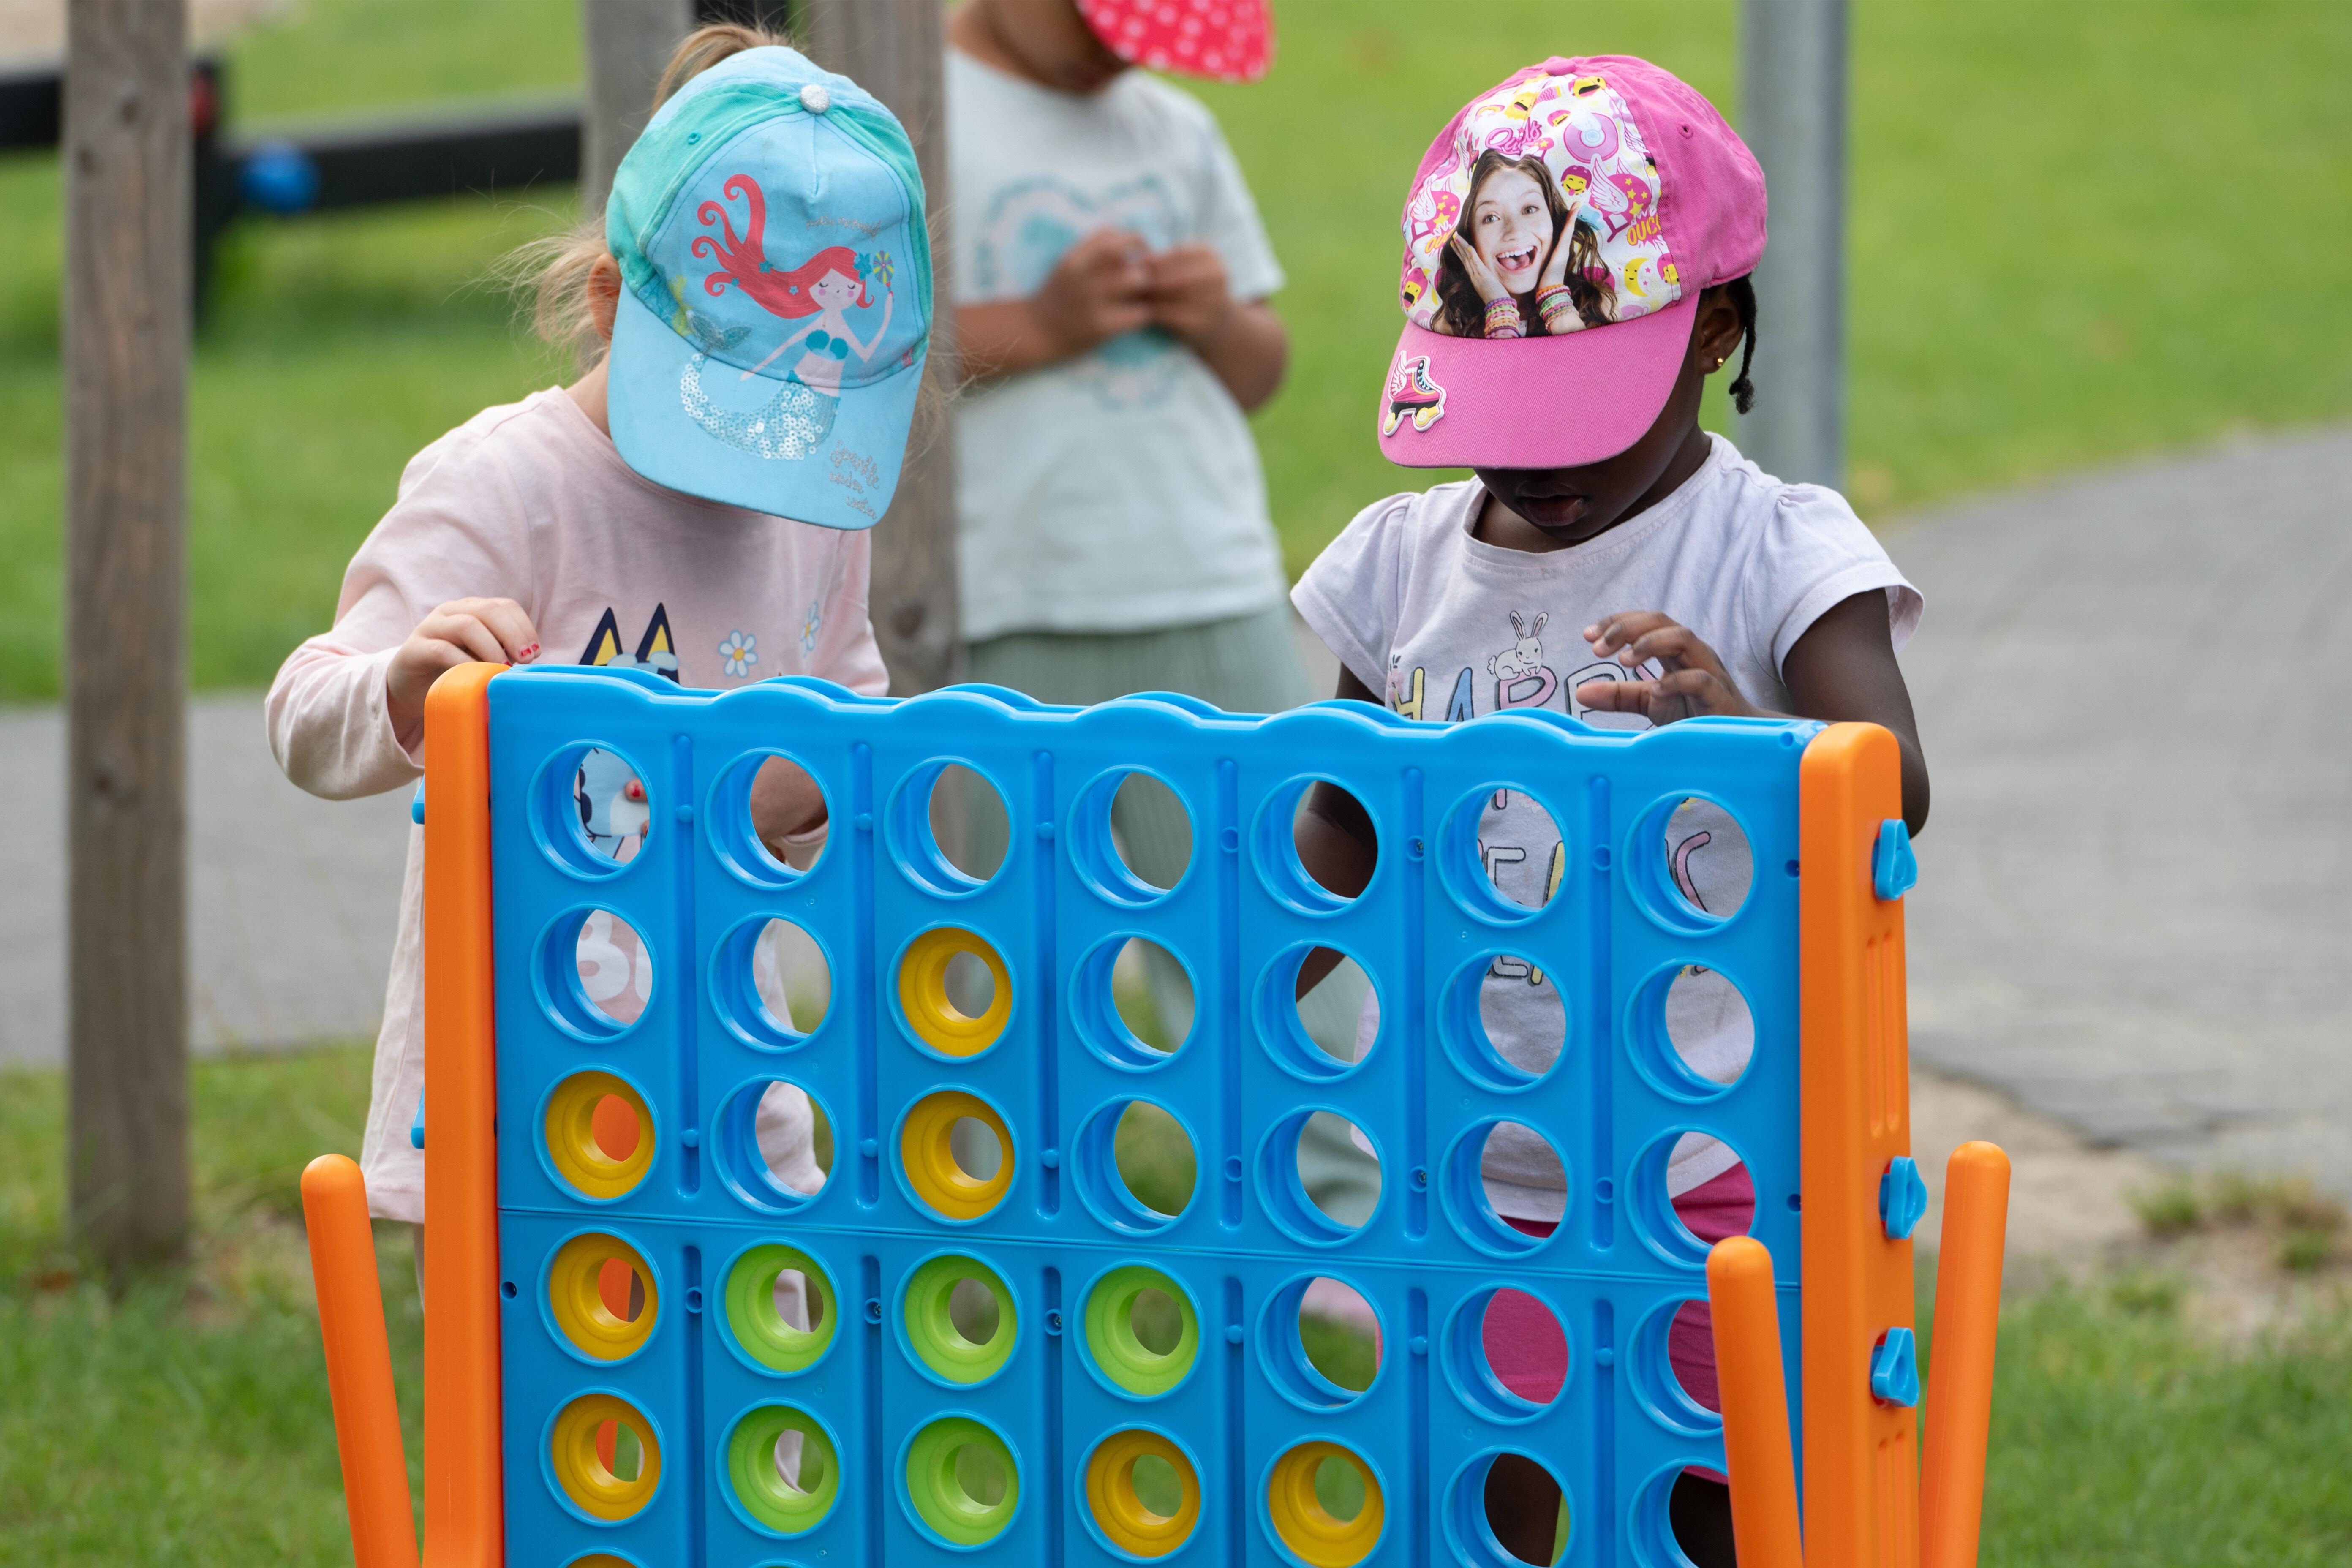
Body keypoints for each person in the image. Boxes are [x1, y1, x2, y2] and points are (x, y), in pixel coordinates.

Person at [1291, 56, 1929, 1568]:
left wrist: (1748, 743)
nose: (1542, 458)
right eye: (1504, 408)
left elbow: (1894, 787)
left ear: (1716, 330)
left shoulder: (1775, 550)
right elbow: (1328, 847)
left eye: (1583, 406)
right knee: (1488, 1494)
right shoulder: (1400, 565)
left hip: (1714, 1162)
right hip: (1462, 1151)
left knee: (1716, 1503)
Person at [265, 27, 926, 1261]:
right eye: (721, 405)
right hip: (518, 1105)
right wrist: (406, 687)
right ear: (610, 301)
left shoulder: (817, 494)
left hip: (736, 1081)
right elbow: (305, 714)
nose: (758, 453)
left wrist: (809, 793)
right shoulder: (510, 484)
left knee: (766, 1370)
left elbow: (844, 719)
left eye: (795, 412)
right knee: (553, 1383)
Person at [943, 0, 1375, 1194]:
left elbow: (1262, 365)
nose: (1119, 44)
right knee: (995, 965)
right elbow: (864, 352)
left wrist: (1218, 318)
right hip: (1008, 604)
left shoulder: (1171, 129)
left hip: (1207, 582)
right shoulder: (918, 120)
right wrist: (1038, 325)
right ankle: (996, 1232)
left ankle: (1328, 1218)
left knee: (1277, 935)